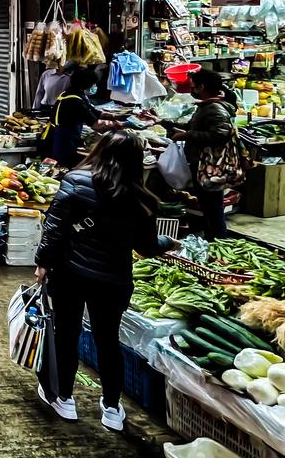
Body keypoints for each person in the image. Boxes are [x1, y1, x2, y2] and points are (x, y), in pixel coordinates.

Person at [34, 131, 177, 431]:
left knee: (66, 334)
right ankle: (111, 407)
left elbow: (54, 229)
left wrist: (43, 263)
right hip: (113, 280)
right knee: (108, 341)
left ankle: (64, 398)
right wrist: (170, 243)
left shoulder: (75, 181)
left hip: (70, 274)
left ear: (99, 150)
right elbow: (147, 247)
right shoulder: (142, 198)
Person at [168, 68, 236, 238]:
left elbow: (220, 134)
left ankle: (218, 240)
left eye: (194, 87)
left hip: (209, 164)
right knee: (208, 206)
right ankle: (212, 238)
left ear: (202, 87)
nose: (192, 91)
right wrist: (162, 122)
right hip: (202, 162)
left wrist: (187, 135)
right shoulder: (206, 106)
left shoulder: (214, 108)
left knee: (213, 206)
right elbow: (193, 127)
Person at [43, 68, 127, 168]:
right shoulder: (74, 100)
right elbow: (96, 125)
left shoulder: (73, 93)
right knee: (65, 166)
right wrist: (121, 125)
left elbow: (95, 112)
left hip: (66, 136)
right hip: (64, 140)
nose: (95, 86)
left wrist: (119, 116)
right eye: (93, 84)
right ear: (85, 83)